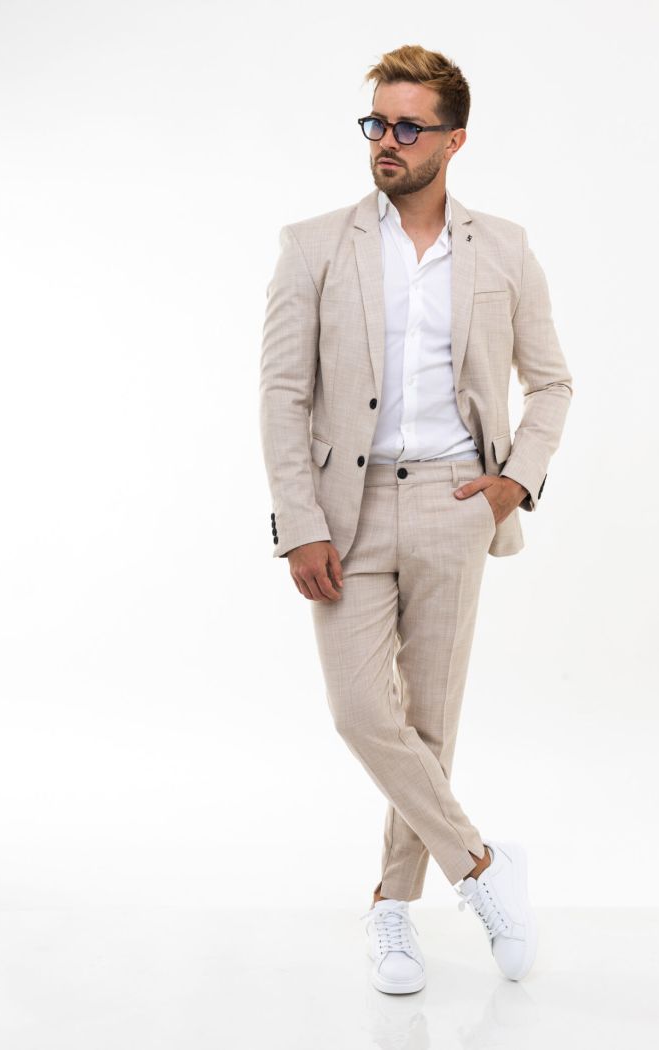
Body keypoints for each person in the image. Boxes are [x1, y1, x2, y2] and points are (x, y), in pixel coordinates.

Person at [258, 44, 573, 992]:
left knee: (429, 725)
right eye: (376, 124)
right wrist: (299, 521)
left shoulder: (504, 247)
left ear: (453, 140)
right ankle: (481, 865)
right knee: (362, 713)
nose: (385, 142)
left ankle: (392, 907)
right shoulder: (312, 245)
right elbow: (282, 393)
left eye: (407, 126)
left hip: (454, 502)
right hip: (345, 515)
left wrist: (514, 482)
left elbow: (551, 383)